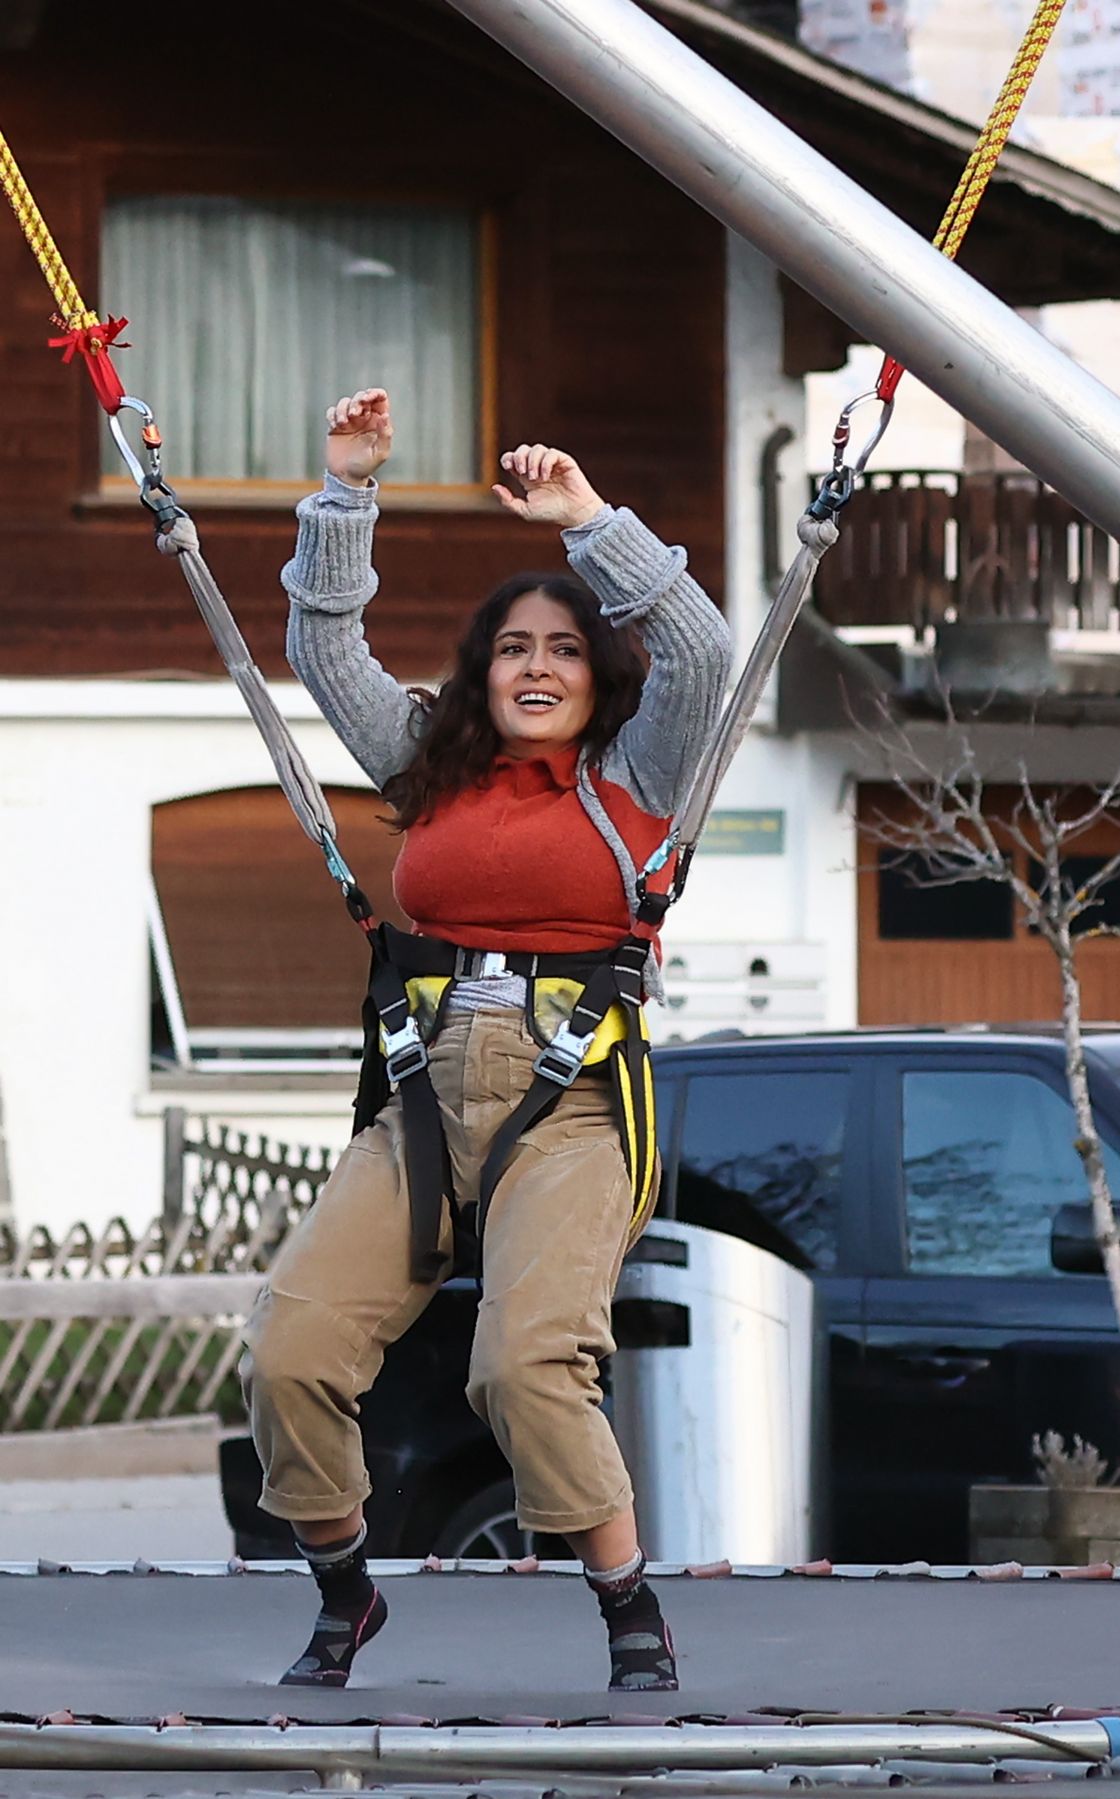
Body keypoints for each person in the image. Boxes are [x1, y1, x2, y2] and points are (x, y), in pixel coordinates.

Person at [240, 387, 732, 1693]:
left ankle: (630, 1608)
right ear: (480, 672)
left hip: (573, 1102)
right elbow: (327, 648)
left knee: (523, 1367)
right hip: (427, 1092)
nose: (534, 666)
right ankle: (347, 1589)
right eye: (511, 648)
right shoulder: (429, 765)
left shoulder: (640, 782)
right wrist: (346, 493)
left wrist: (587, 521)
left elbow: (704, 654)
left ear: (598, 676)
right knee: (290, 1350)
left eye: (564, 650)